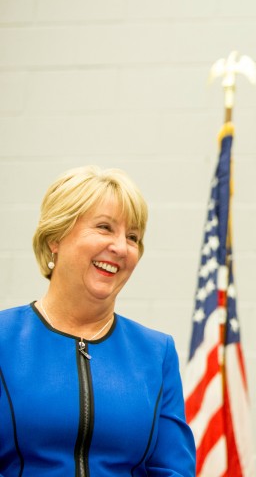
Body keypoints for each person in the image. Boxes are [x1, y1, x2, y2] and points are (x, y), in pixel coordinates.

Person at [0, 166, 195, 476]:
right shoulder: (4, 340)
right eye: (104, 227)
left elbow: (172, 468)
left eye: (133, 237)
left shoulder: (157, 353)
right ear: (56, 237)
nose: (121, 247)